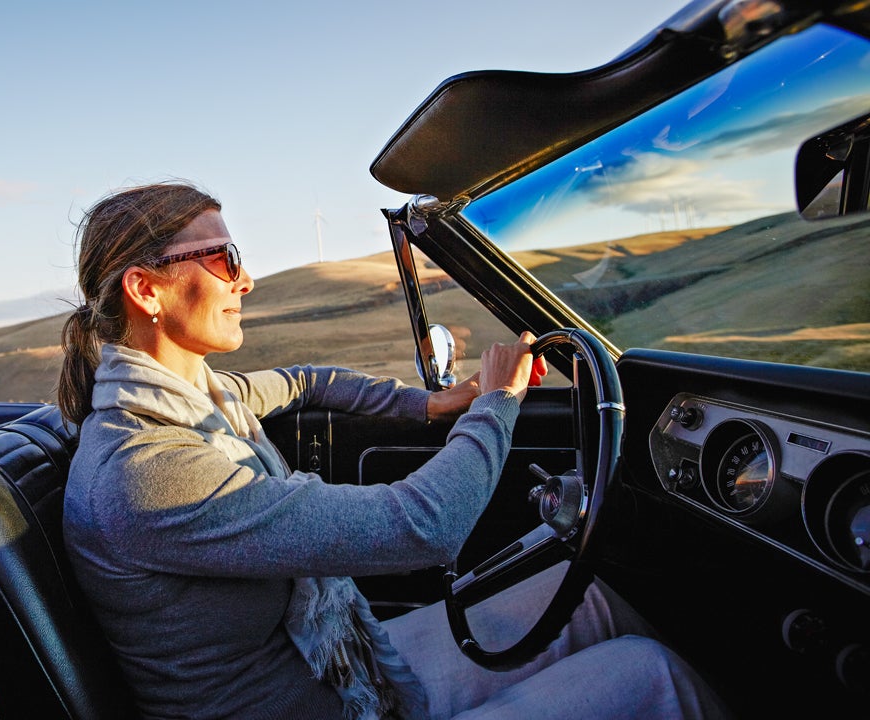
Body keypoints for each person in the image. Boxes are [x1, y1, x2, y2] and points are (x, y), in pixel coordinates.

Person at [59, 181, 727, 719]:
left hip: (340, 668)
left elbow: (305, 381)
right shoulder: (149, 468)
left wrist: (428, 404)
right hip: (318, 701)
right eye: (225, 259)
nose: (247, 281)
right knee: (653, 677)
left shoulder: (200, 395)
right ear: (146, 290)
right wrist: (497, 404)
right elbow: (426, 526)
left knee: (592, 600)